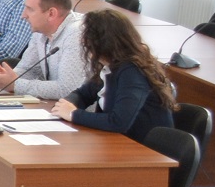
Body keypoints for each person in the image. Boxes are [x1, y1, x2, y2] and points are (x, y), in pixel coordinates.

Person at [49, 8, 179, 146]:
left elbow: (118, 122)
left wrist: (73, 114)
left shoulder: (132, 72)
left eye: (86, 36)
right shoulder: (111, 66)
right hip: (119, 143)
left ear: (101, 42)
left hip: (144, 150)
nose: (83, 41)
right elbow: (83, 94)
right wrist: (66, 105)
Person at [0, 0, 89, 101]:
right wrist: (7, 78)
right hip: (54, 105)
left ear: (51, 14)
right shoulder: (41, 30)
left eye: (30, 9)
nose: (23, 15)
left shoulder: (76, 34)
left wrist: (16, 85)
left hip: (78, 110)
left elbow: (68, 89)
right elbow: (29, 69)